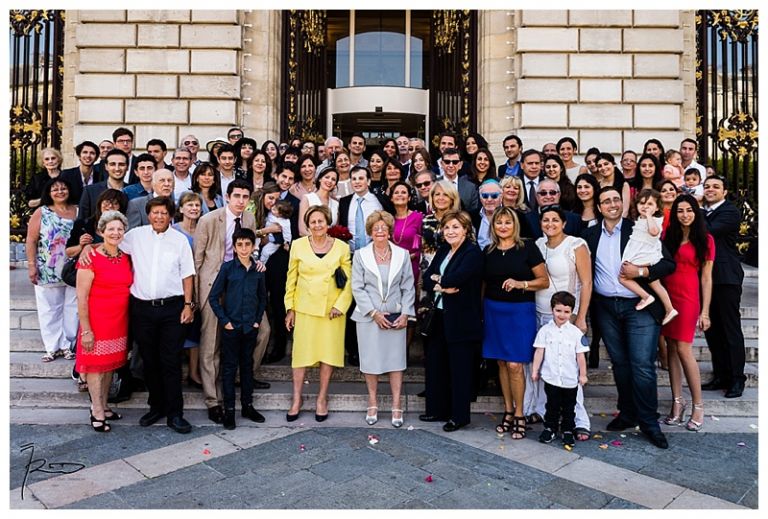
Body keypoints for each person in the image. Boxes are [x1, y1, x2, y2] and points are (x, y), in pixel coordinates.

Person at [583, 186, 676, 449]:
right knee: (620, 364)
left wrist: (642, 271)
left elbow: (668, 264)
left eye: (616, 199)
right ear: (599, 207)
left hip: (639, 306)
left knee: (642, 366)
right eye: (606, 201)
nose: (612, 204)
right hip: (606, 308)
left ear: (621, 205)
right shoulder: (589, 235)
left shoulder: (638, 228)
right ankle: (627, 412)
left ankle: (649, 422)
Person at [116, 196, 195, 434]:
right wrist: (88, 247)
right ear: (148, 214)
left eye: (163, 213)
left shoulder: (179, 240)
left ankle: (175, 413)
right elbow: (112, 242)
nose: (159, 217)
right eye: (154, 213)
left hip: (172, 308)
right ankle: (156, 406)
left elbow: (188, 274)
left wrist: (188, 305)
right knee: (149, 361)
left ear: (171, 216)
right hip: (142, 309)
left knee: (170, 361)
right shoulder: (135, 236)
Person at [194, 179, 264, 425]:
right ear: (228, 195)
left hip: (241, 283)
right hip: (214, 284)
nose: (241, 200)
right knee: (211, 344)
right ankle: (214, 401)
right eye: (237, 196)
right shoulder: (209, 220)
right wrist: (194, 298)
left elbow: (250, 249)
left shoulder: (250, 220)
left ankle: (241, 381)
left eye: (246, 196)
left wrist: (257, 263)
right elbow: (197, 259)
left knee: (262, 331)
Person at [481, 206, 548, 440]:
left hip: (519, 312)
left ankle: (520, 413)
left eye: (507, 222)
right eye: (499, 222)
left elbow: (544, 280)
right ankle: (508, 411)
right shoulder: (488, 250)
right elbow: (483, 284)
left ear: (515, 225)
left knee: (515, 365)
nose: (503, 226)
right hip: (493, 311)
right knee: (501, 362)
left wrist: (522, 284)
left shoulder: (527, 248)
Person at [528, 205, 592, 441]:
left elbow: (586, 282)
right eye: (546, 220)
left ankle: (579, 420)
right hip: (539, 313)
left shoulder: (576, 244)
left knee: (569, 370)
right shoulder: (537, 245)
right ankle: (547, 415)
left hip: (567, 316)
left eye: (555, 220)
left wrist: (580, 315)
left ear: (564, 223)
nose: (550, 224)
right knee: (547, 367)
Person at [284, 205, 353, 422]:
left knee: (328, 355)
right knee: (300, 356)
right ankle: (297, 398)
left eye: (321, 221)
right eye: (312, 222)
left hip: (331, 311)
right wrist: (290, 308)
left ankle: (322, 398)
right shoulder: (298, 245)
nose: (317, 225)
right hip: (304, 308)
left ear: (328, 222)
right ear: (307, 224)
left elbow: (349, 282)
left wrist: (340, 306)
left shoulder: (341, 247)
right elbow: (291, 279)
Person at [420, 210, 484, 432]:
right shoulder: (444, 249)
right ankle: (438, 409)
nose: (450, 231)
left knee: (459, 368)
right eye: (446, 227)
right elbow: (427, 278)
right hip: (439, 314)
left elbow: (458, 278)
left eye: (456, 227)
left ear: (466, 229)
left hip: (462, 318)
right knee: (437, 364)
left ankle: (459, 416)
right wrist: (441, 284)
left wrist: (440, 280)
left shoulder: (473, 252)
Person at [351, 211, 415, 428]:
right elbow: (357, 287)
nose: (380, 231)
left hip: (396, 316)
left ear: (390, 231)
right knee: (371, 362)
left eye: (383, 227)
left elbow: (408, 286)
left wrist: (406, 313)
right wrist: (374, 313)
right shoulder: (360, 255)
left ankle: (397, 404)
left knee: (396, 362)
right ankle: (372, 402)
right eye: (375, 228)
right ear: (370, 231)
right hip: (369, 317)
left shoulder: (402, 254)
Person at [75, 211, 132, 432]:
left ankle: (105, 405)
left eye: (119, 229)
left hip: (118, 321)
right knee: (95, 367)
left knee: (109, 366)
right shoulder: (90, 258)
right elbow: (82, 297)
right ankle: (96, 409)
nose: (115, 233)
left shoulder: (125, 256)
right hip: (96, 321)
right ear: (101, 232)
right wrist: (86, 330)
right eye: (111, 229)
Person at [661, 194, 714, 430]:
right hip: (667, 298)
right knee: (671, 348)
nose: (685, 214)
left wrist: (705, 311)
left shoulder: (706, 239)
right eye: (680, 210)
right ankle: (677, 403)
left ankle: (698, 405)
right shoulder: (668, 237)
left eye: (689, 210)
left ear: (696, 211)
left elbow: (706, 278)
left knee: (683, 348)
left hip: (688, 299)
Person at [207, 228, 267, 430]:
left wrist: (257, 320)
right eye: (239, 244)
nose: (243, 248)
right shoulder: (227, 268)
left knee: (247, 367)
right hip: (231, 326)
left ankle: (247, 406)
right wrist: (225, 321)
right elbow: (213, 297)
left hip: (250, 327)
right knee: (230, 368)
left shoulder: (258, 270)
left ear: (253, 246)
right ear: (234, 246)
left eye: (247, 244)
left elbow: (262, 298)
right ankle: (229, 410)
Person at [701, 176, 746, 399]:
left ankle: (737, 378)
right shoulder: (702, 211)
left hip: (726, 277)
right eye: (707, 186)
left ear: (725, 191)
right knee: (713, 330)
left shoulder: (730, 212)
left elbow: (706, 232)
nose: (710, 190)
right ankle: (721, 374)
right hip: (705, 278)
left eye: (715, 187)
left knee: (730, 330)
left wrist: (696, 211)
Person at [25, 178, 78, 361]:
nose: (60, 192)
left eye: (63, 188)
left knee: (72, 308)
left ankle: (67, 345)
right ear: (48, 193)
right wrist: (32, 266)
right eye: (55, 189)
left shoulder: (77, 210)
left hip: (73, 268)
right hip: (47, 267)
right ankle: (52, 346)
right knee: (49, 309)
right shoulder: (42, 212)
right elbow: (31, 240)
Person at [531, 291, 589, 446]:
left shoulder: (575, 333)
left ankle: (568, 430)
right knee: (552, 405)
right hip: (551, 377)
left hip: (570, 379)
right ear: (552, 310)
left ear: (571, 312)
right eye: (558, 311)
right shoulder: (545, 331)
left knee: (570, 407)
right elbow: (539, 351)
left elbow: (580, 356)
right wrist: (535, 371)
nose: (562, 315)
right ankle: (550, 428)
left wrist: (583, 375)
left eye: (566, 312)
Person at [619, 188, 678, 324]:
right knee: (655, 283)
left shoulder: (655, 220)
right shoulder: (639, 219)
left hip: (644, 255)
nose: (645, 207)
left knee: (623, 277)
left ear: (657, 207)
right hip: (643, 252)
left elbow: (653, 232)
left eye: (650, 204)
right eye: (642, 203)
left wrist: (650, 216)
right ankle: (669, 308)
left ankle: (645, 296)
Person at [172, 192, 204, 389]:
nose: (193, 208)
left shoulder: (203, 228)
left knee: (195, 330)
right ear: (181, 208)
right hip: (176, 285)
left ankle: (193, 373)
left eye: (197, 205)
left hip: (199, 284)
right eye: (189, 205)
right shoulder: (173, 231)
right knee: (176, 330)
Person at [66, 189, 129, 260]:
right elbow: (68, 253)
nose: (110, 206)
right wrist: (81, 246)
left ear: (120, 208)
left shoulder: (124, 227)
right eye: (107, 202)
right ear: (100, 203)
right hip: (87, 267)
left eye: (115, 203)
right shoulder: (82, 224)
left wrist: (92, 246)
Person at [80, 149, 129, 221]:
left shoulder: (133, 191)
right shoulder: (90, 191)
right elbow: (81, 220)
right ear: (106, 166)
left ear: (127, 167)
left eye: (121, 164)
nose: (117, 168)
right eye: (112, 164)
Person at [297, 167, 339, 236]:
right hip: (310, 243)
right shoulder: (307, 198)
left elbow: (336, 230)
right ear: (320, 179)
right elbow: (302, 230)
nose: (329, 181)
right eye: (327, 177)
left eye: (333, 179)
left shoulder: (336, 204)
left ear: (335, 185)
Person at [438, 147, 478, 213]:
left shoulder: (471, 188)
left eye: (455, 162)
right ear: (442, 164)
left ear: (460, 165)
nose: (451, 165)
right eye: (447, 162)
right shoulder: (434, 184)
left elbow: (473, 214)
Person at [596, 152, 631, 218]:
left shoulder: (623, 184)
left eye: (606, 164)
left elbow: (625, 210)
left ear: (614, 164)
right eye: (600, 166)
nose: (603, 168)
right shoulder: (597, 185)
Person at [472, 179, 503, 249]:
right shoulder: (471, 216)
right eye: (485, 196)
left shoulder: (512, 215)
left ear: (501, 197)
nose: (489, 199)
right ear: (480, 198)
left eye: (494, 195)